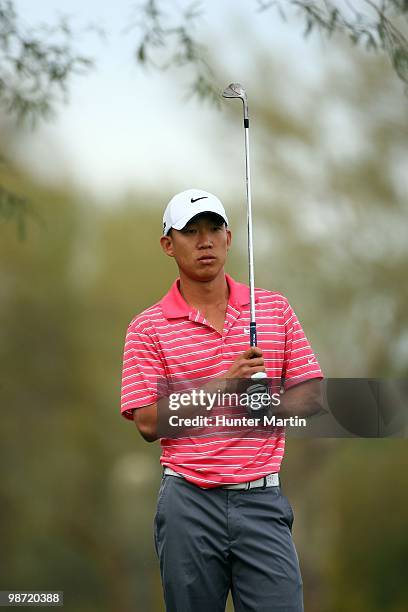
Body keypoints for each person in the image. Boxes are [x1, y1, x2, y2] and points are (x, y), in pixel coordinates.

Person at [120, 188, 324, 612]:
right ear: (167, 245)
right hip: (188, 504)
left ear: (230, 238)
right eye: (190, 231)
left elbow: (312, 396)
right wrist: (222, 387)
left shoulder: (273, 310)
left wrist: (271, 404)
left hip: (262, 501)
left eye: (214, 229)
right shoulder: (147, 328)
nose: (205, 240)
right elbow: (148, 422)